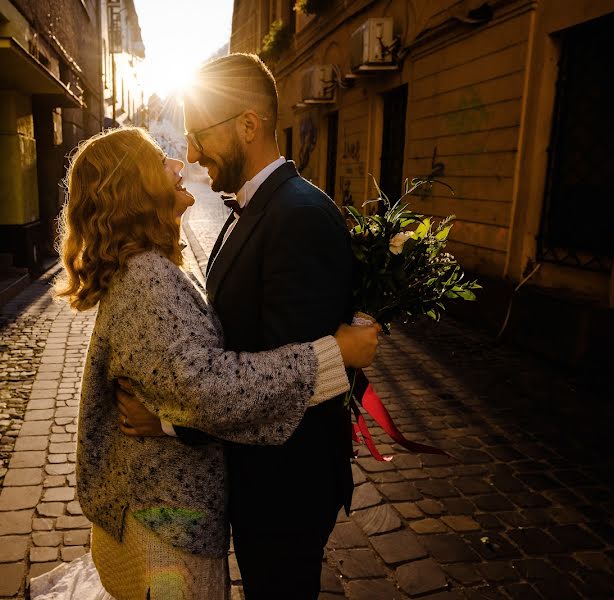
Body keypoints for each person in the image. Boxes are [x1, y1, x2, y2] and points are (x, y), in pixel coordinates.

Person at [36, 126, 380, 600]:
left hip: (167, 515)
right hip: (167, 525)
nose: (181, 163)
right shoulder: (146, 280)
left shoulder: (146, 266)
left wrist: (164, 418)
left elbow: (183, 382)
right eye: (161, 160)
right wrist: (333, 355)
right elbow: (205, 388)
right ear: (131, 187)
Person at [117, 53, 357, 599]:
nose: (194, 154)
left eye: (200, 135)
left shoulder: (297, 216)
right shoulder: (252, 209)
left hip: (286, 486)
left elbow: (287, 381)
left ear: (248, 125)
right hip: (257, 475)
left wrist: (172, 422)